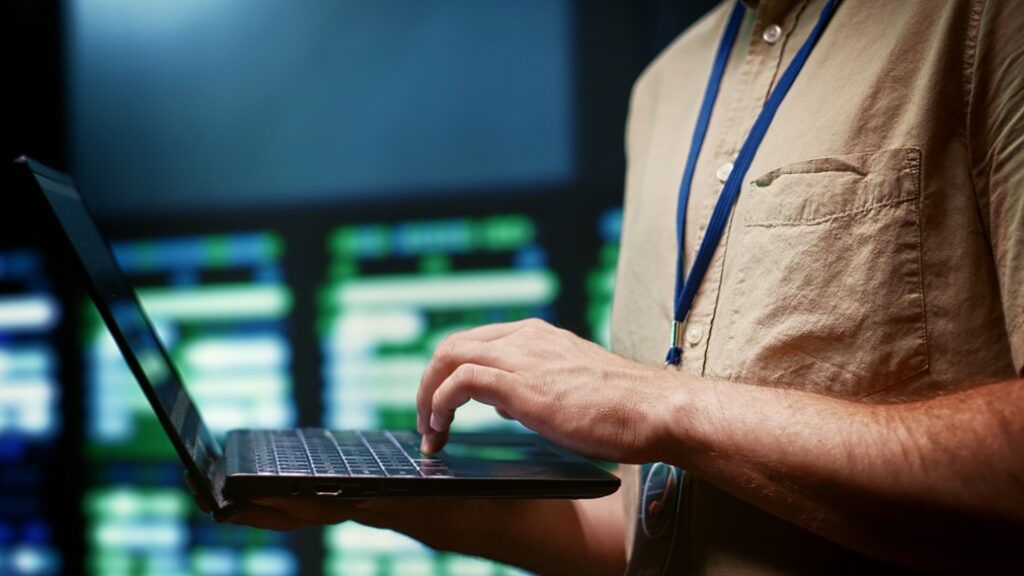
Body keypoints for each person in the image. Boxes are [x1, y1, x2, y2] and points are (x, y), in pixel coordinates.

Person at [202, 0, 1024, 573]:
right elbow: (634, 531)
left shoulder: (989, 20)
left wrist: (657, 404)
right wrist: (367, 495)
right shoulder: (662, 87)